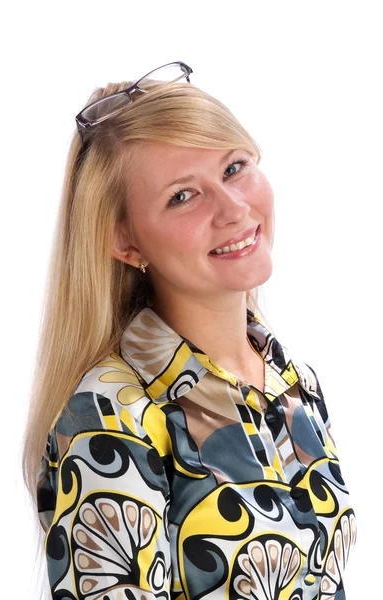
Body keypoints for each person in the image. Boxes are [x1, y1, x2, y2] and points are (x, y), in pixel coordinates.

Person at [22, 61, 356, 600]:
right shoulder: (111, 418)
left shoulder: (293, 382)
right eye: (183, 195)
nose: (234, 208)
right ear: (125, 243)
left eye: (234, 167)